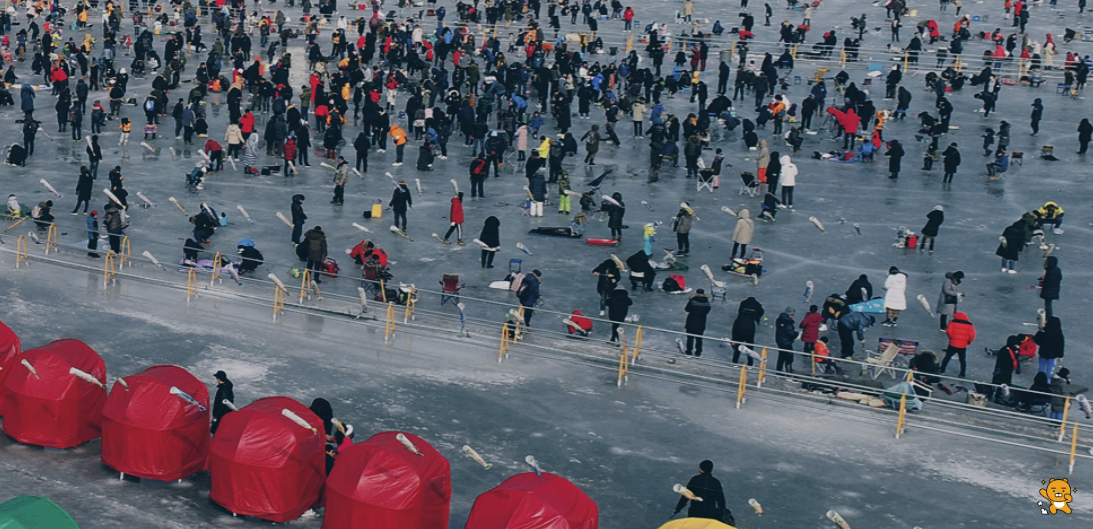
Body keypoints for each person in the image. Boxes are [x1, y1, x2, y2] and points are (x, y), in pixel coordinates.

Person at [940, 311, 975, 378]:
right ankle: (962, 373)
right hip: (963, 345)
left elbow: (949, 331)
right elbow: (972, 335)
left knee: (947, 357)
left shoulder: (952, 322)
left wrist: (952, 338)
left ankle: (942, 370)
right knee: (962, 360)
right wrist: (968, 342)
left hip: (953, 344)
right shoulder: (970, 325)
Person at [731, 297, 764, 365]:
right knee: (750, 347)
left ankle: (734, 362)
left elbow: (734, 329)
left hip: (740, 327)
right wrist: (757, 318)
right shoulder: (756, 305)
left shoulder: (740, 316)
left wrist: (733, 339)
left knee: (738, 346)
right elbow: (762, 311)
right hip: (750, 328)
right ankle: (750, 363)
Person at [684, 289, 711, 356]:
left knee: (690, 338)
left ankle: (689, 351)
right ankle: (698, 352)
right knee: (699, 339)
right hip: (701, 322)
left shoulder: (692, 301)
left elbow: (687, 309)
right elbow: (707, 311)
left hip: (691, 321)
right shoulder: (707, 302)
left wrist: (690, 300)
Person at [775, 307, 797, 373]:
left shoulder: (779, 320)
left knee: (781, 357)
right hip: (786, 342)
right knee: (789, 358)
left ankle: (778, 372)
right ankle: (789, 374)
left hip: (780, 340)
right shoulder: (788, 323)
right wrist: (796, 333)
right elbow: (791, 334)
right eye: (792, 315)